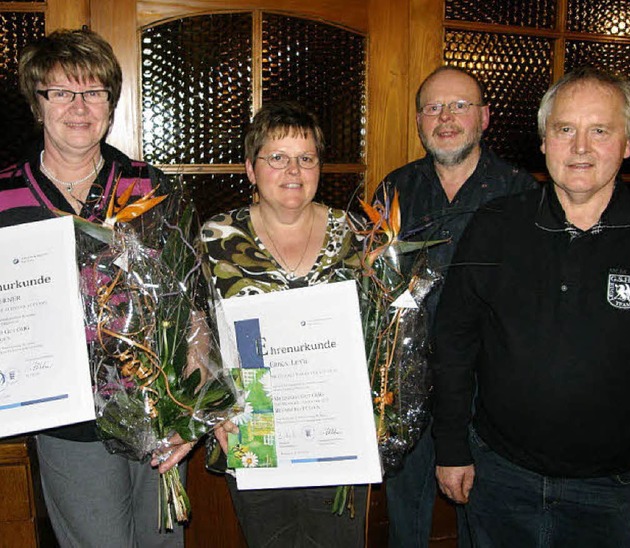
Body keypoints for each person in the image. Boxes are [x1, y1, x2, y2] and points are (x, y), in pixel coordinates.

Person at [0, 28, 194, 547]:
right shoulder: (3, 196)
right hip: (66, 421)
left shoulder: (148, 187)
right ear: (36, 105)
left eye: (94, 93)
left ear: (111, 103)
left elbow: (191, 303)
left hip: (156, 408)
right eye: (60, 92)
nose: (79, 107)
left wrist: (190, 407)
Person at [433, 66, 630, 547]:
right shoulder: (495, 225)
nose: (581, 147)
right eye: (565, 129)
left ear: (627, 142)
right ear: (544, 141)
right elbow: (454, 341)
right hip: (501, 477)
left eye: (600, 131)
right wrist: (451, 447)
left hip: (615, 490)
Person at [378, 66, 537, 547]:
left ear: (484, 117)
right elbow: (370, 285)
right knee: (404, 524)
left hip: (487, 393)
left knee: (484, 524)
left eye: (460, 106)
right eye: (433, 107)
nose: (446, 118)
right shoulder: (396, 188)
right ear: (419, 121)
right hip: (407, 389)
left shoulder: (521, 193)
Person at [200, 100, 367, 547]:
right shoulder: (215, 237)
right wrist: (213, 402)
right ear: (251, 169)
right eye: (277, 157)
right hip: (252, 432)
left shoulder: (356, 234)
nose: (293, 170)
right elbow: (194, 330)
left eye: (306, 158)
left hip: (336, 432)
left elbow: (381, 333)